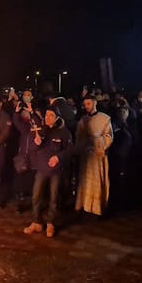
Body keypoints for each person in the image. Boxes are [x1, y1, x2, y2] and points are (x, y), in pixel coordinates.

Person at [25, 107, 73, 238]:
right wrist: (36, 143)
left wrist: (58, 157)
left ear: (57, 118)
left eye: (51, 115)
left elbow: (69, 150)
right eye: (46, 114)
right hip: (41, 168)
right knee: (36, 195)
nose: (47, 118)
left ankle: (51, 223)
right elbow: (31, 148)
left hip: (56, 171)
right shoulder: (41, 129)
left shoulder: (64, 132)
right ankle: (36, 222)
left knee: (54, 197)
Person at [72, 94, 113, 217]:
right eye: (85, 104)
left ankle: (97, 209)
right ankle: (84, 206)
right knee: (85, 181)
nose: (86, 107)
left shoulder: (105, 119)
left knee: (97, 182)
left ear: (95, 103)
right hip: (86, 156)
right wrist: (84, 145)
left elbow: (109, 136)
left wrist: (95, 142)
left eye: (88, 104)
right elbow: (78, 137)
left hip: (98, 156)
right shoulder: (82, 120)